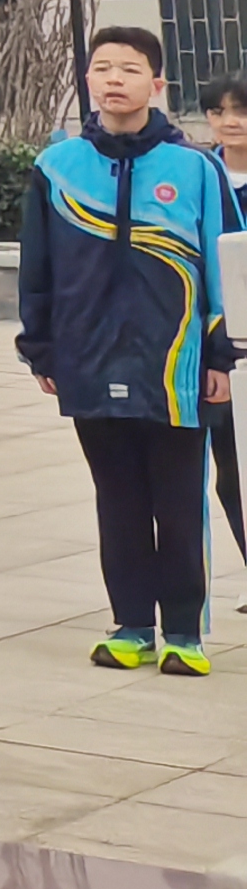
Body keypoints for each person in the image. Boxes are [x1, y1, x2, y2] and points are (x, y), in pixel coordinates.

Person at [20, 27, 235, 676]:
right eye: (103, 67)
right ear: (88, 79)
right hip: (88, 360)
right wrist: (42, 349)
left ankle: (184, 633)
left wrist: (222, 356)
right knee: (116, 500)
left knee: (178, 502)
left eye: (130, 69)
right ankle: (132, 626)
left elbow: (227, 265)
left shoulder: (196, 169)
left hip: (176, 366)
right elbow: (37, 268)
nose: (115, 79)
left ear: (157, 84)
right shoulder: (56, 168)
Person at [193, 79, 247, 563]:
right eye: (219, 111)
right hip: (223, 347)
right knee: (233, 473)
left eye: (242, 111)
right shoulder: (198, 177)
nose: (231, 122)